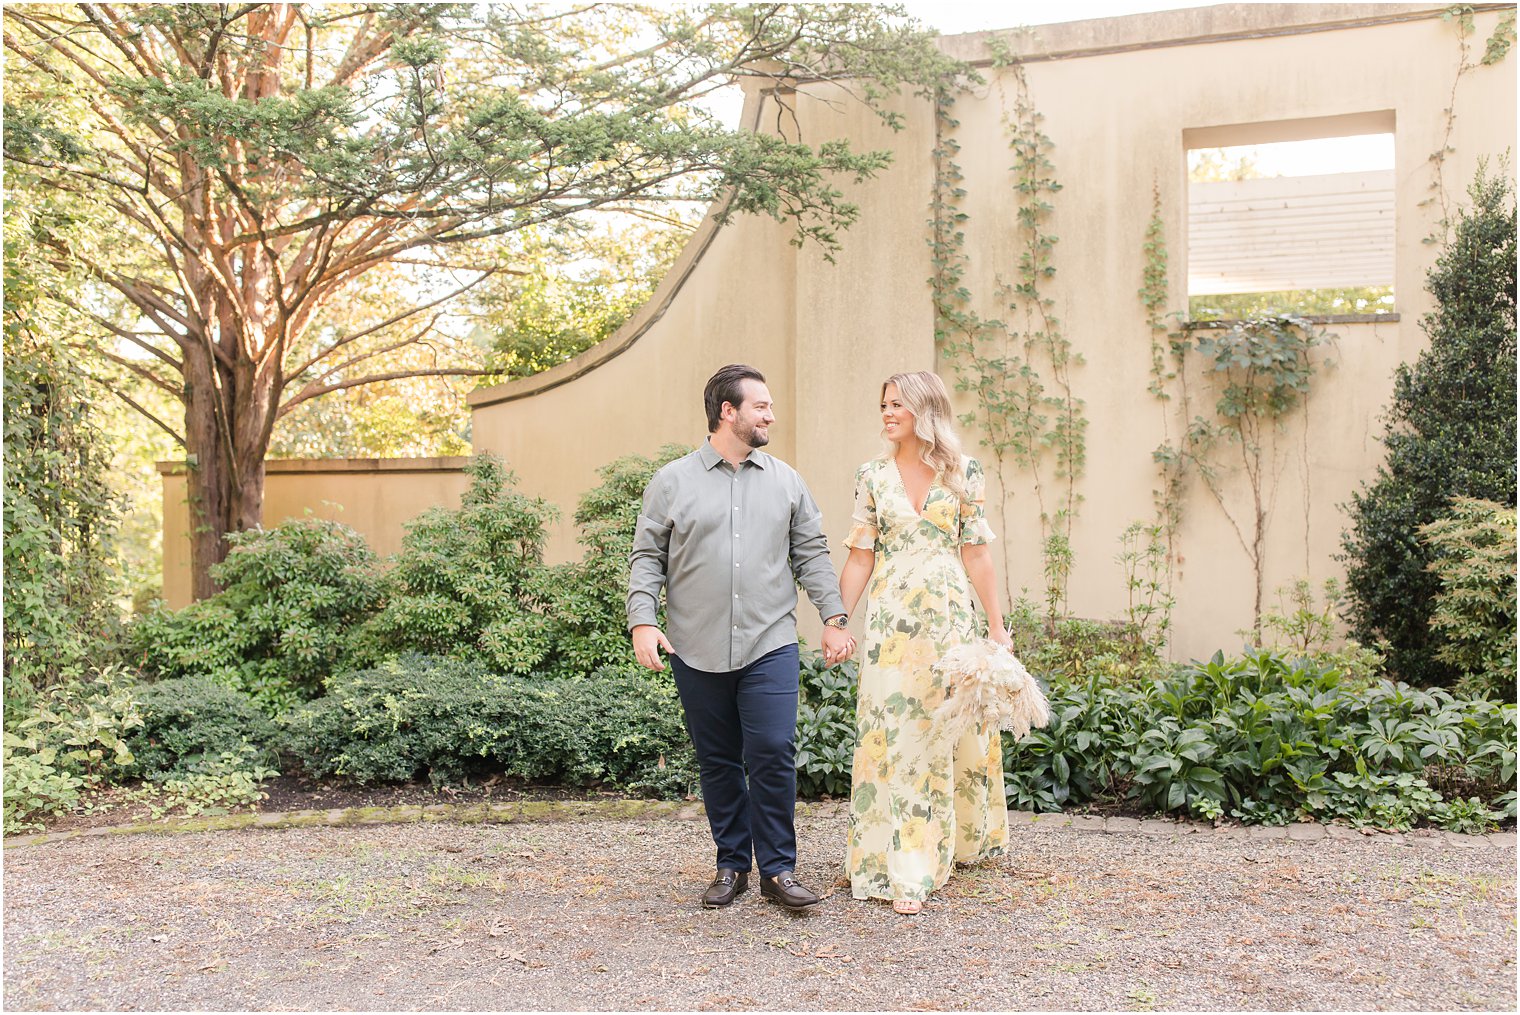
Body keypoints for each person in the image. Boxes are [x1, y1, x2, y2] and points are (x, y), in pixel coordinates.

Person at [628, 363, 856, 910]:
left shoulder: (785, 480)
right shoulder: (672, 482)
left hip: (768, 640)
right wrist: (642, 620)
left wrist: (834, 617)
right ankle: (732, 862)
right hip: (695, 643)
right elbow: (646, 557)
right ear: (727, 412)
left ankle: (778, 868)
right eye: (761, 406)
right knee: (719, 758)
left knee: (774, 749)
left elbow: (812, 555)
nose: (771, 415)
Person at [835, 370, 1011, 915]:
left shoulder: (963, 472)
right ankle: (905, 859)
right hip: (891, 624)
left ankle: (960, 839)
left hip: (949, 620)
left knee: (950, 726)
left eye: (898, 406)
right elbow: (861, 554)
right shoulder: (871, 475)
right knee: (896, 731)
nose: (887, 414)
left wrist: (997, 627)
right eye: (883, 404)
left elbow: (976, 553)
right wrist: (838, 619)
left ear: (925, 411)